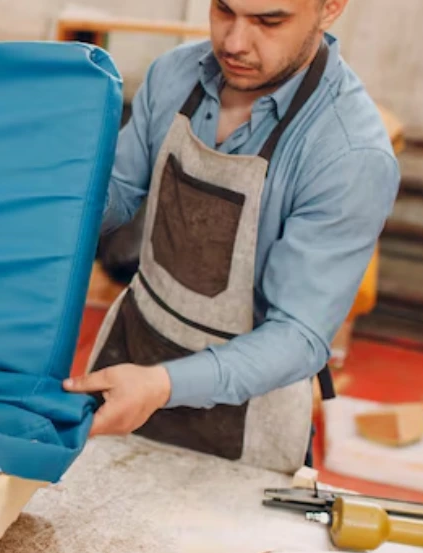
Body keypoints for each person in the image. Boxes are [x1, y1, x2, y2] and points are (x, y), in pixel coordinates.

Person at [63, 0, 400, 469]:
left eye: (269, 20)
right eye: (224, 9)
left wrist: (163, 385)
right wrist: (39, 206)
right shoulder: (174, 76)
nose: (234, 42)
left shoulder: (348, 153)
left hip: (246, 417)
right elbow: (118, 191)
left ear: (330, 9)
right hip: (131, 357)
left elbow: (299, 336)